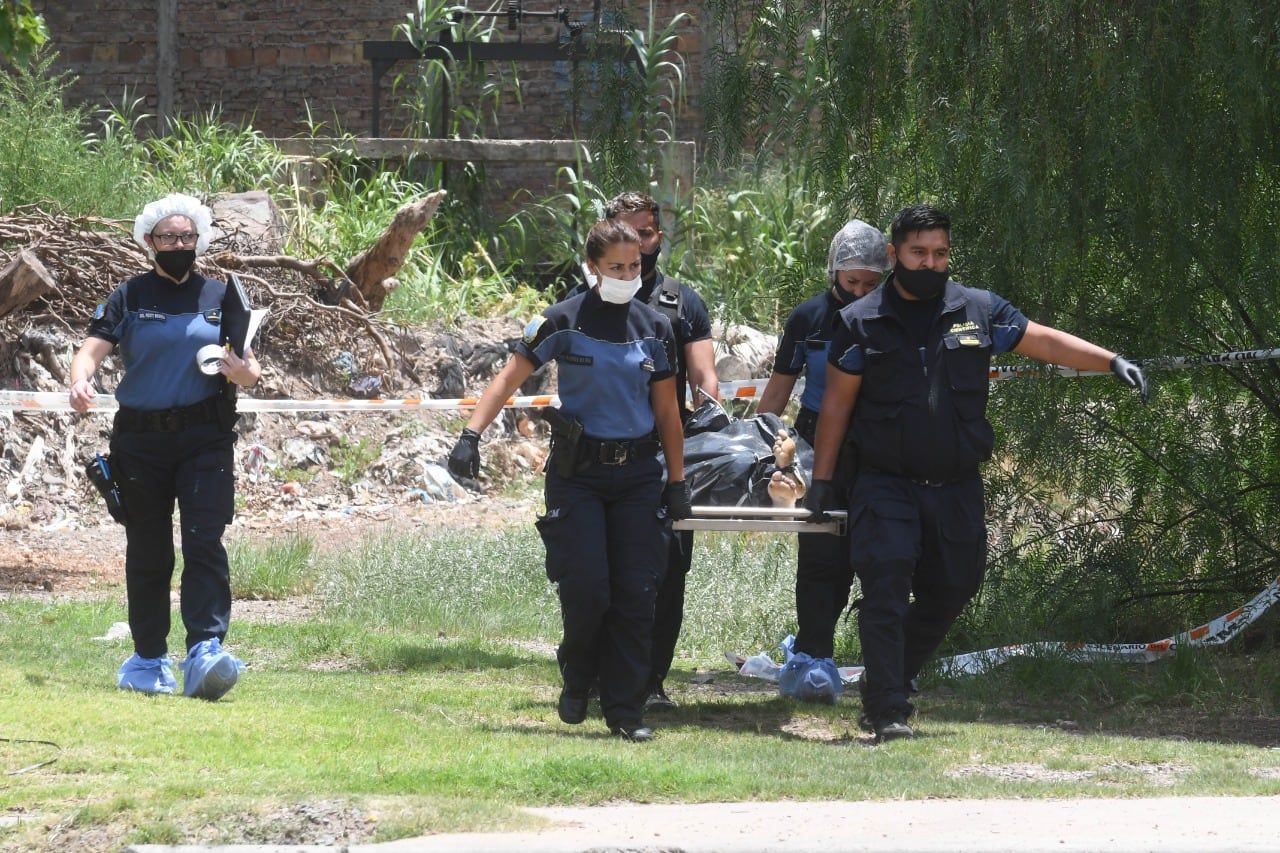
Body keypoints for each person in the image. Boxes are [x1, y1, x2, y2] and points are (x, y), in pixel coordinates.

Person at [807, 203, 1148, 742]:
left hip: (955, 484)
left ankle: (890, 674)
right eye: (918, 252)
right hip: (885, 482)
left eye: (940, 252)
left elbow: (1044, 341)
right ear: (894, 255)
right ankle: (887, 708)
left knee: (956, 586)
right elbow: (836, 409)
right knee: (887, 586)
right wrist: (821, 482)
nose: (930, 262)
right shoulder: (859, 320)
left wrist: (1110, 361)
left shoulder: (978, 308)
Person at [448, 219, 693, 742]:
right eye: (616, 267)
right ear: (593, 268)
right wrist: (471, 435)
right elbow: (509, 378)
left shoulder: (656, 327)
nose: (628, 274)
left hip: (637, 476)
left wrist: (677, 482)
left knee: (636, 593)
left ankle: (626, 712)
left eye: (635, 265)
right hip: (577, 475)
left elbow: (669, 414)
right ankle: (578, 674)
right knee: (586, 588)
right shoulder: (562, 319)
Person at [68, 193, 261, 700]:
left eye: (187, 237)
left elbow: (249, 365)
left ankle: (205, 651)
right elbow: (90, 350)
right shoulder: (128, 296)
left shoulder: (222, 297)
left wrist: (243, 372)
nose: (178, 244)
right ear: (149, 242)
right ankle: (148, 659)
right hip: (140, 442)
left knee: (203, 541)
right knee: (150, 550)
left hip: (205, 439)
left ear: (199, 240)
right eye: (168, 238)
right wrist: (80, 381)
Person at [573, 191, 717, 712]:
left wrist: (706, 419)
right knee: (596, 573)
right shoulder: (580, 303)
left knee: (665, 571)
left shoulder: (681, 303)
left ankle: (650, 680)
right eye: (630, 233)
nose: (642, 244)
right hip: (594, 460)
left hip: (662, 458)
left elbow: (704, 380)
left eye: (649, 234)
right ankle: (591, 675)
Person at [757, 220, 889, 703]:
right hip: (816, 441)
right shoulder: (808, 318)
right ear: (833, 271)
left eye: (870, 285)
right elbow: (777, 391)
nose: (858, 293)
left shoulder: (892, 315)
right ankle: (814, 656)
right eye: (850, 282)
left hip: (878, 440)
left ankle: (888, 664)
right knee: (820, 555)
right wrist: (760, 448)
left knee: (878, 553)